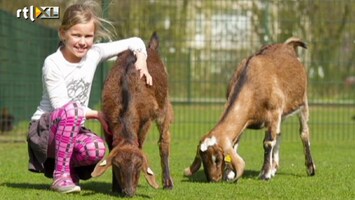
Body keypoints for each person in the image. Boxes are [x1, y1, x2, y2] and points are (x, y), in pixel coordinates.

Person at [27, 0, 152, 194]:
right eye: (76, 35)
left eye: (88, 36)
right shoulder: (53, 63)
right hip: (44, 131)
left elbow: (135, 42)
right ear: (63, 33)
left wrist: (142, 60)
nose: (83, 41)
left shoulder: (93, 54)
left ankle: (69, 172)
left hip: (72, 129)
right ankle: (60, 176)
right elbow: (62, 105)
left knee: (97, 149)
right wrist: (96, 113)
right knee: (73, 110)